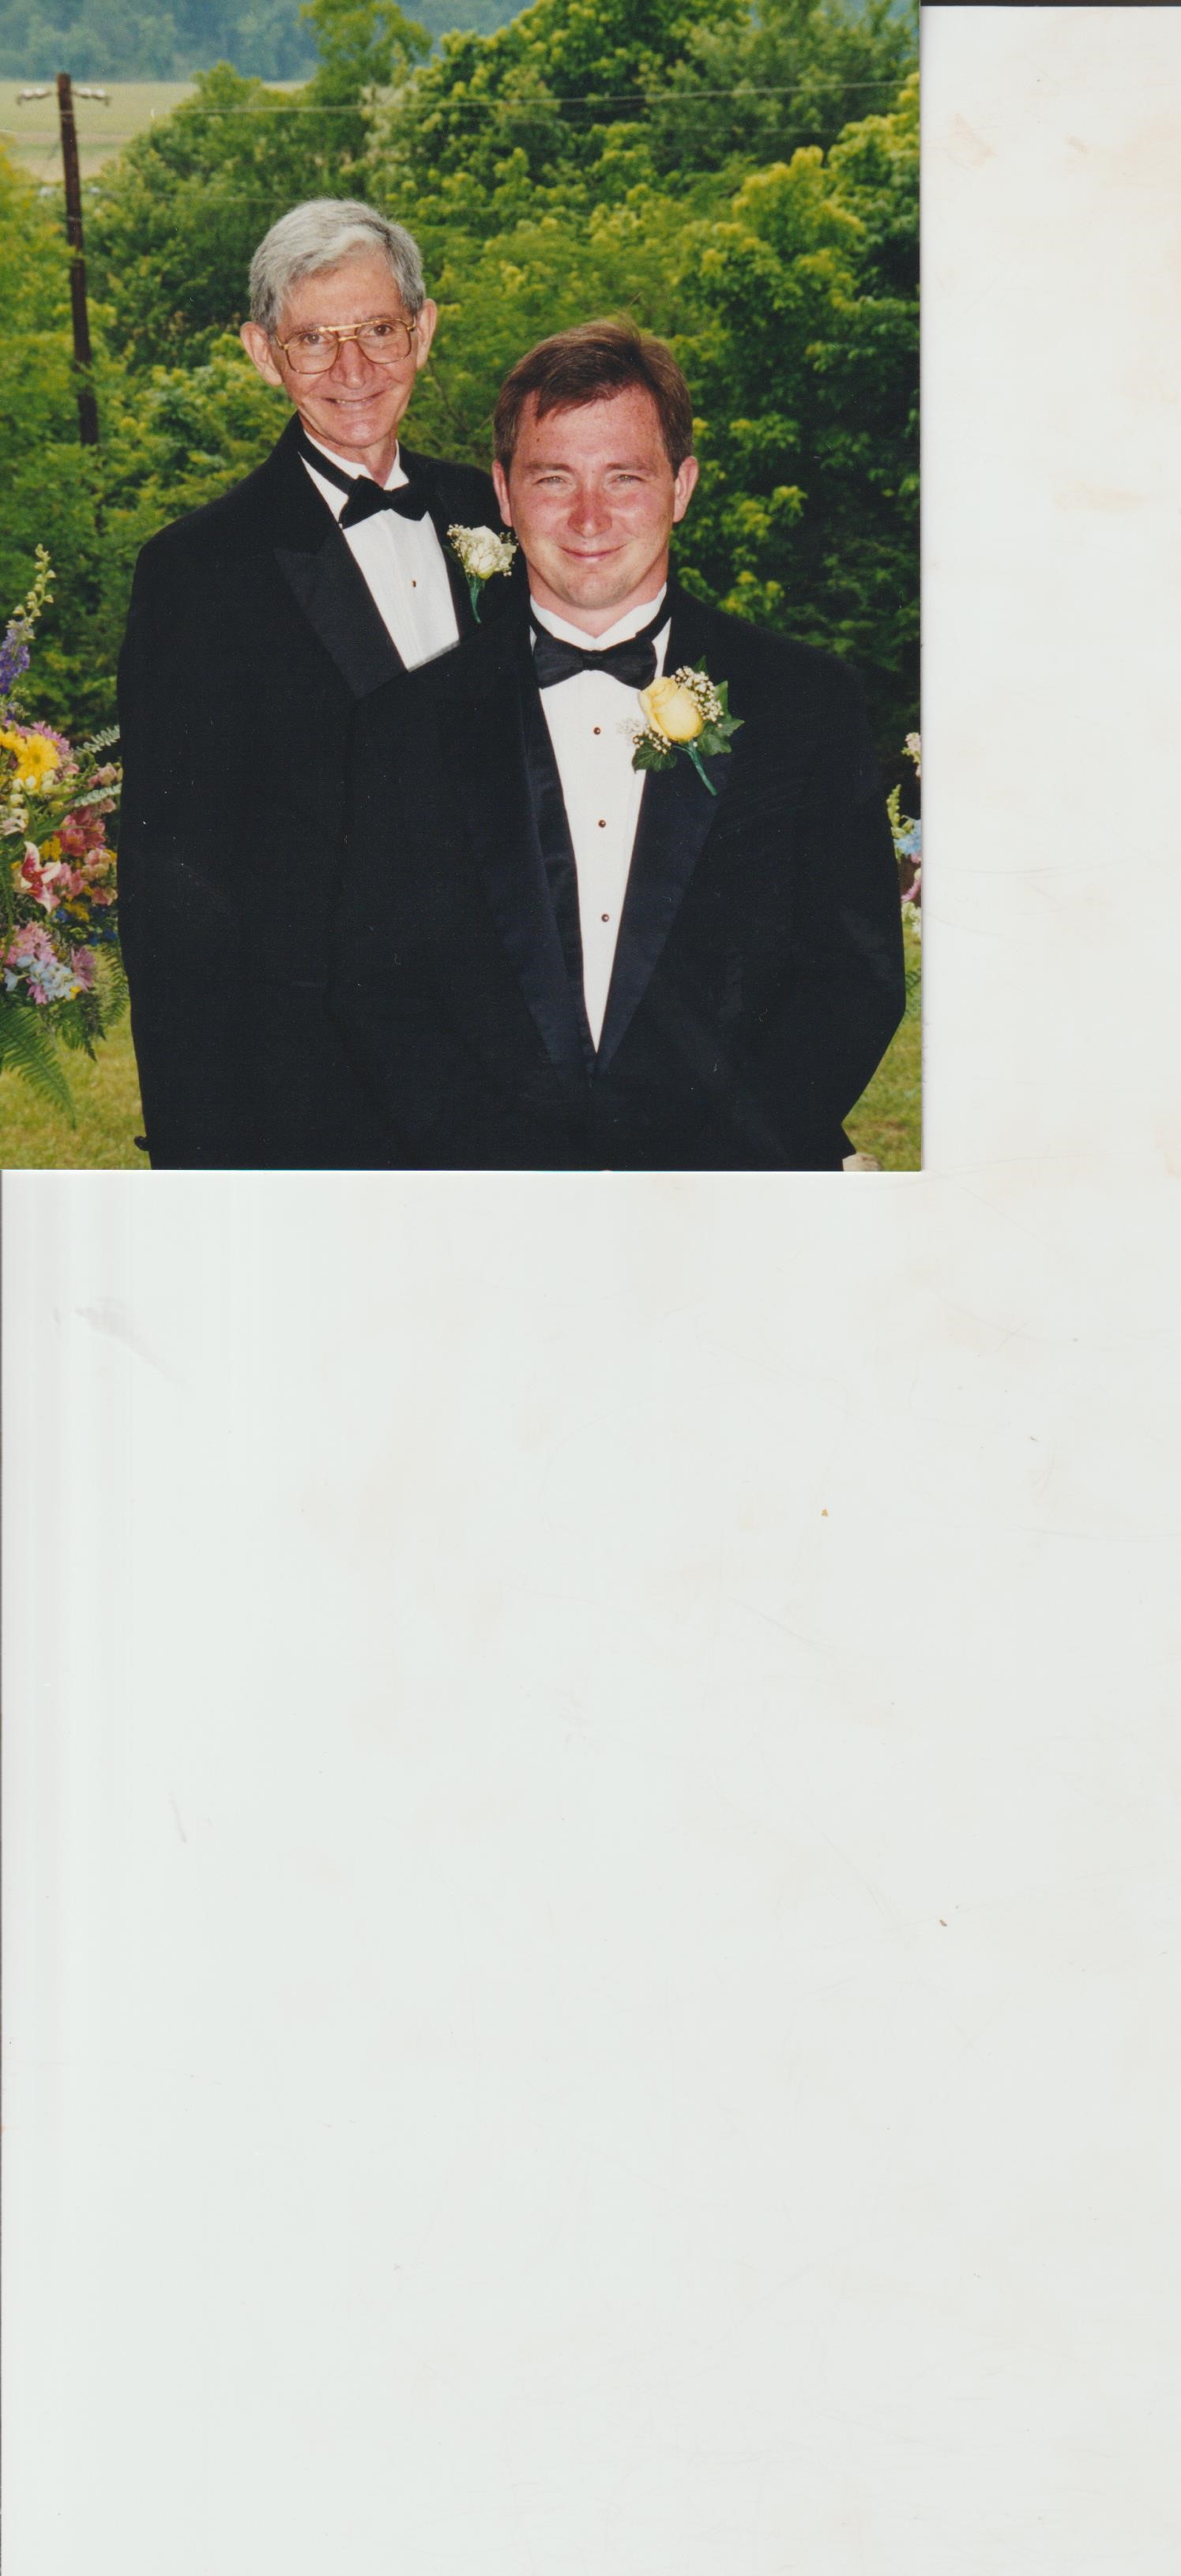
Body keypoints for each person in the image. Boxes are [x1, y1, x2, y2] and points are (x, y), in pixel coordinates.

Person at [330, 321, 907, 1170]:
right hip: (494, 1202)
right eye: (553, 478)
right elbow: (380, 997)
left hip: (735, 1197)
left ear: (681, 487)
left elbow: (850, 979)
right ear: (503, 492)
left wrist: (701, 1183)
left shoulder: (805, 705)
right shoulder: (403, 728)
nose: (589, 517)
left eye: (625, 478)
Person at [117, 197, 510, 1168]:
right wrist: (194, 1145)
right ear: (263, 354)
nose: (353, 370)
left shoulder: (503, 514)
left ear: (423, 330)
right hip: (309, 1093)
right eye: (313, 341)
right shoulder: (197, 571)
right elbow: (171, 885)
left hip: (513, 1075)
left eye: (377, 330)